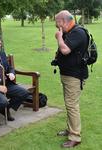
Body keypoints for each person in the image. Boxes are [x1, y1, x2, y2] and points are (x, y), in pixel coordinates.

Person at [53, 10, 89, 148]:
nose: (57, 26)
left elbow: (65, 50)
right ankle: (70, 129)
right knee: (69, 104)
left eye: (57, 22)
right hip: (68, 74)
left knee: (72, 106)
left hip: (74, 76)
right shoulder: (70, 32)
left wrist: (59, 37)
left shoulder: (78, 32)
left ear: (63, 21)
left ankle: (75, 137)